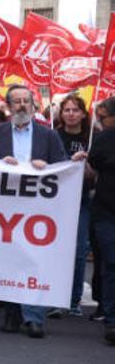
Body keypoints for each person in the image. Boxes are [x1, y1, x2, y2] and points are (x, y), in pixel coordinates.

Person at [0, 85, 68, 339]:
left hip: (39, 210)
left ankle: (34, 317)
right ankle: (12, 314)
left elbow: (63, 169)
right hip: (5, 208)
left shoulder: (49, 136)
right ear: (8, 107)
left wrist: (47, 167)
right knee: (8, 259)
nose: (22, 105)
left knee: (36, 260)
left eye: (26, 101)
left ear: (34, 106)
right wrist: (0, 165)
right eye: (17, 101)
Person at [50, 94, 95, 319]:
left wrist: (87, 168)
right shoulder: (53, 135)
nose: (70, 114)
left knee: (78, 253)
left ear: (83, 114)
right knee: (54, 250)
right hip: (55, 203)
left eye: (75, 110)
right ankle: (53, 296)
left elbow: (95, 174)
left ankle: (73, 300)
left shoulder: (91, 138)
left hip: (81, 202)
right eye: (66, 110)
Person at [87, 96, 115, 344]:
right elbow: (93, 164)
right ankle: (112, 320)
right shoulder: (105, 139)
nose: (102, 121)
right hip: (107, 213)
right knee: (112, 264)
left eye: (104, 117)